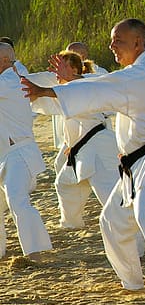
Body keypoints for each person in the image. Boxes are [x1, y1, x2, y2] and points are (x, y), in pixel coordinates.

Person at [21, 19, 145, 295]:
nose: (111, 46)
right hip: (137, 163)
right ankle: (132, 282)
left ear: (138, 43)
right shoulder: (135, 74)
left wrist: (49, 91)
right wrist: (61, 86)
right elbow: (104, 84)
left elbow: (105, 86)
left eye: (118, 41)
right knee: (112, 220)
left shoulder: (144, 73)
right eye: (111, 40)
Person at [32, 51, 119, 229]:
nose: (56, 73)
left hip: (100, 148)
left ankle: (137, 244)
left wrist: (72, 78)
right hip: (83, 148)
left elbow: (86, 86)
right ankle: (71, 224)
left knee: (112, 199)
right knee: (65, 183)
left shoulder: (87, 83)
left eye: (62, 67)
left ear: (73, 69)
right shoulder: (65, 91)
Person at [0, 42, 53, 259]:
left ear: (3, 61)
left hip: (18, 152)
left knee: (17, 199)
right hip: (5, 154)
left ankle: (36, 252)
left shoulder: (9, 81)